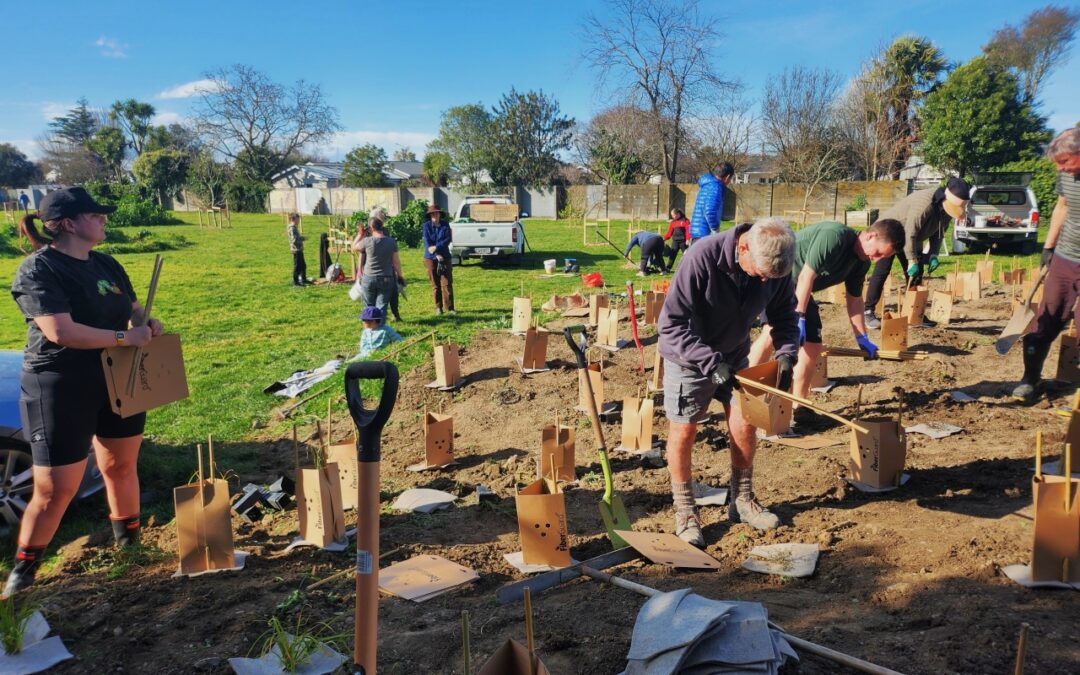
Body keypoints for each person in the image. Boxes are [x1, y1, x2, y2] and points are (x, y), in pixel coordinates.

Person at [4, 187, 163, 598]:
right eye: (96, 215)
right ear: (70, 223)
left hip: (115, 377)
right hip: (60, 383)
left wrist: (149, 323)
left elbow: (131, 309)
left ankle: (129, 546)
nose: (104, 220)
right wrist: (124, 339)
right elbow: (60, 332)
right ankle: (24, 571)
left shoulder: (105, 263)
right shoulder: (39, 270)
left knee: (121, 467)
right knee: (56, 488)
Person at [659, 216, 799, 546]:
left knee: (745, 419)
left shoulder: (775, 267)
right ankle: (685, 511)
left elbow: (784, 317)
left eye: (771, 276)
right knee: (685, 428)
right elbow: (672, 326)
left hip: (734, 351)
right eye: (762, 273)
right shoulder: (701, 258)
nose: (766, 280)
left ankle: (742, 499)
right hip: (689, 355)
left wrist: (788, 354)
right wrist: (709, 363)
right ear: (744, 247)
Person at [748, 219, 905, 431]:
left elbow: (855, 299)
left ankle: (798, 406)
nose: (876, 260)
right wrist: (800, 319)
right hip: (778, 278)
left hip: (800, 291)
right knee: (772, 333)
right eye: (877, 253)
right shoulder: (834, 236)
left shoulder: (861, 262)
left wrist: (862, 337)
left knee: (812, 345)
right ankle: (745, 395)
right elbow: (806, 276)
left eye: (882, 258)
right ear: (871, 236)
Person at [1014, 129, 1080, 400]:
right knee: (1046, 318)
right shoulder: (1065, 175)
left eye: (1064, 161)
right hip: (1066, 256)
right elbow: (1061, 206)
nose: (1059, 167)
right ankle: (1031, 378)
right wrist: (1049, 246)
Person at [863, 177, 970, 328]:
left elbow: (939, 233)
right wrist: (911, 260)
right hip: (888, 233)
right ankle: (868, 311)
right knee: (882, 270)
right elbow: (909, 233)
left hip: (912, 237)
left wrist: (933, 254)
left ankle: (915, 313)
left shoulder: (947, 211)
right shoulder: (925, 204)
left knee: (917, 274)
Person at [357, 216, 405, 321]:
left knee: (369, 305)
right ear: (382, 227)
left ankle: (370, 329)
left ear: (371, 228)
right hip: (386, 277)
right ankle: (380, 328)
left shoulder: (367, 241)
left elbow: (353, 247)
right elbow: (396, 262)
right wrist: (400, 276)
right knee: (382, 306)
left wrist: (360, 235)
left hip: (369, 277)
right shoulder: (391, 242)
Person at [688, 162, 735, 242]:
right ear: (727, 177)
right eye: (730, 179)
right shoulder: (716, 187)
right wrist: (715, 230)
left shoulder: (707, 185)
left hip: (697, 232)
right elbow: (710, 211)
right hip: (704, 235)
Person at [422, 204, 454, 315]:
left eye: (436, 213)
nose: (435, 215)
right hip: (430, 258)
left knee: (447, 283)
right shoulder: (426, 226)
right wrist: (436, 254)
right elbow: (427, 242)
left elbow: (448, 239)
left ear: (440, 214)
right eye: (432, 213)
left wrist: (437, 248)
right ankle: (438, 308)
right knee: (435, 285)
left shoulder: (445, 225)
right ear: (430, 215)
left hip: (445, 256)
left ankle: (450, 308)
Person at [286, 213, 308, 286]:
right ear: (293, 219)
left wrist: (303, 238)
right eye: (297, 219)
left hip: (299, 249)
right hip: (296, 250)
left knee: (303, 265)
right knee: (297, 266)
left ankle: (303, 279)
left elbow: (297, 238)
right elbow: (294, 240)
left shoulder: (295, 227)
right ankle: (296, 282)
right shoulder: (292, 228)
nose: (299, 221)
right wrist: (301, 240)